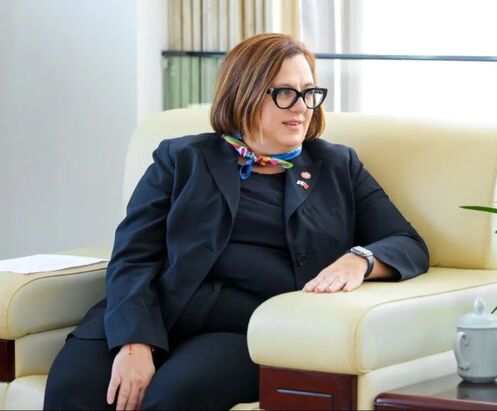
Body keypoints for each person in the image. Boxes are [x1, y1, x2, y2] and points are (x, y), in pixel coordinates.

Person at [43, 33, 429, 411]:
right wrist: (135, 343)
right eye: (284, 93)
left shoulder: (338, 166)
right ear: (244, 93)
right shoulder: (180, 159)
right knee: (75, 387)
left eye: (309, 92)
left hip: (242, 329)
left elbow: (406, 242)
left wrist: (360, 260)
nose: (301, 107)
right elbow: (133, 256)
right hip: (155, 309)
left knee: (173, 396)